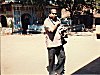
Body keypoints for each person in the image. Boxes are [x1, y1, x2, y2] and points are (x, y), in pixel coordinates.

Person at [44, 9, 66, 75]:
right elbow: (51, 30)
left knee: (62, 57)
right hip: (51, 44)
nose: (55, 15)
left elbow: (59, 29)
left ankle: (58, 71)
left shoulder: (58, 20)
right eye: (53, 14)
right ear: (49, 14)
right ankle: (52, 72)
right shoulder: (46, 21)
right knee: (51, 60)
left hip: (59, 43)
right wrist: (56, 24)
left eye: (56, 13)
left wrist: (63, 31)